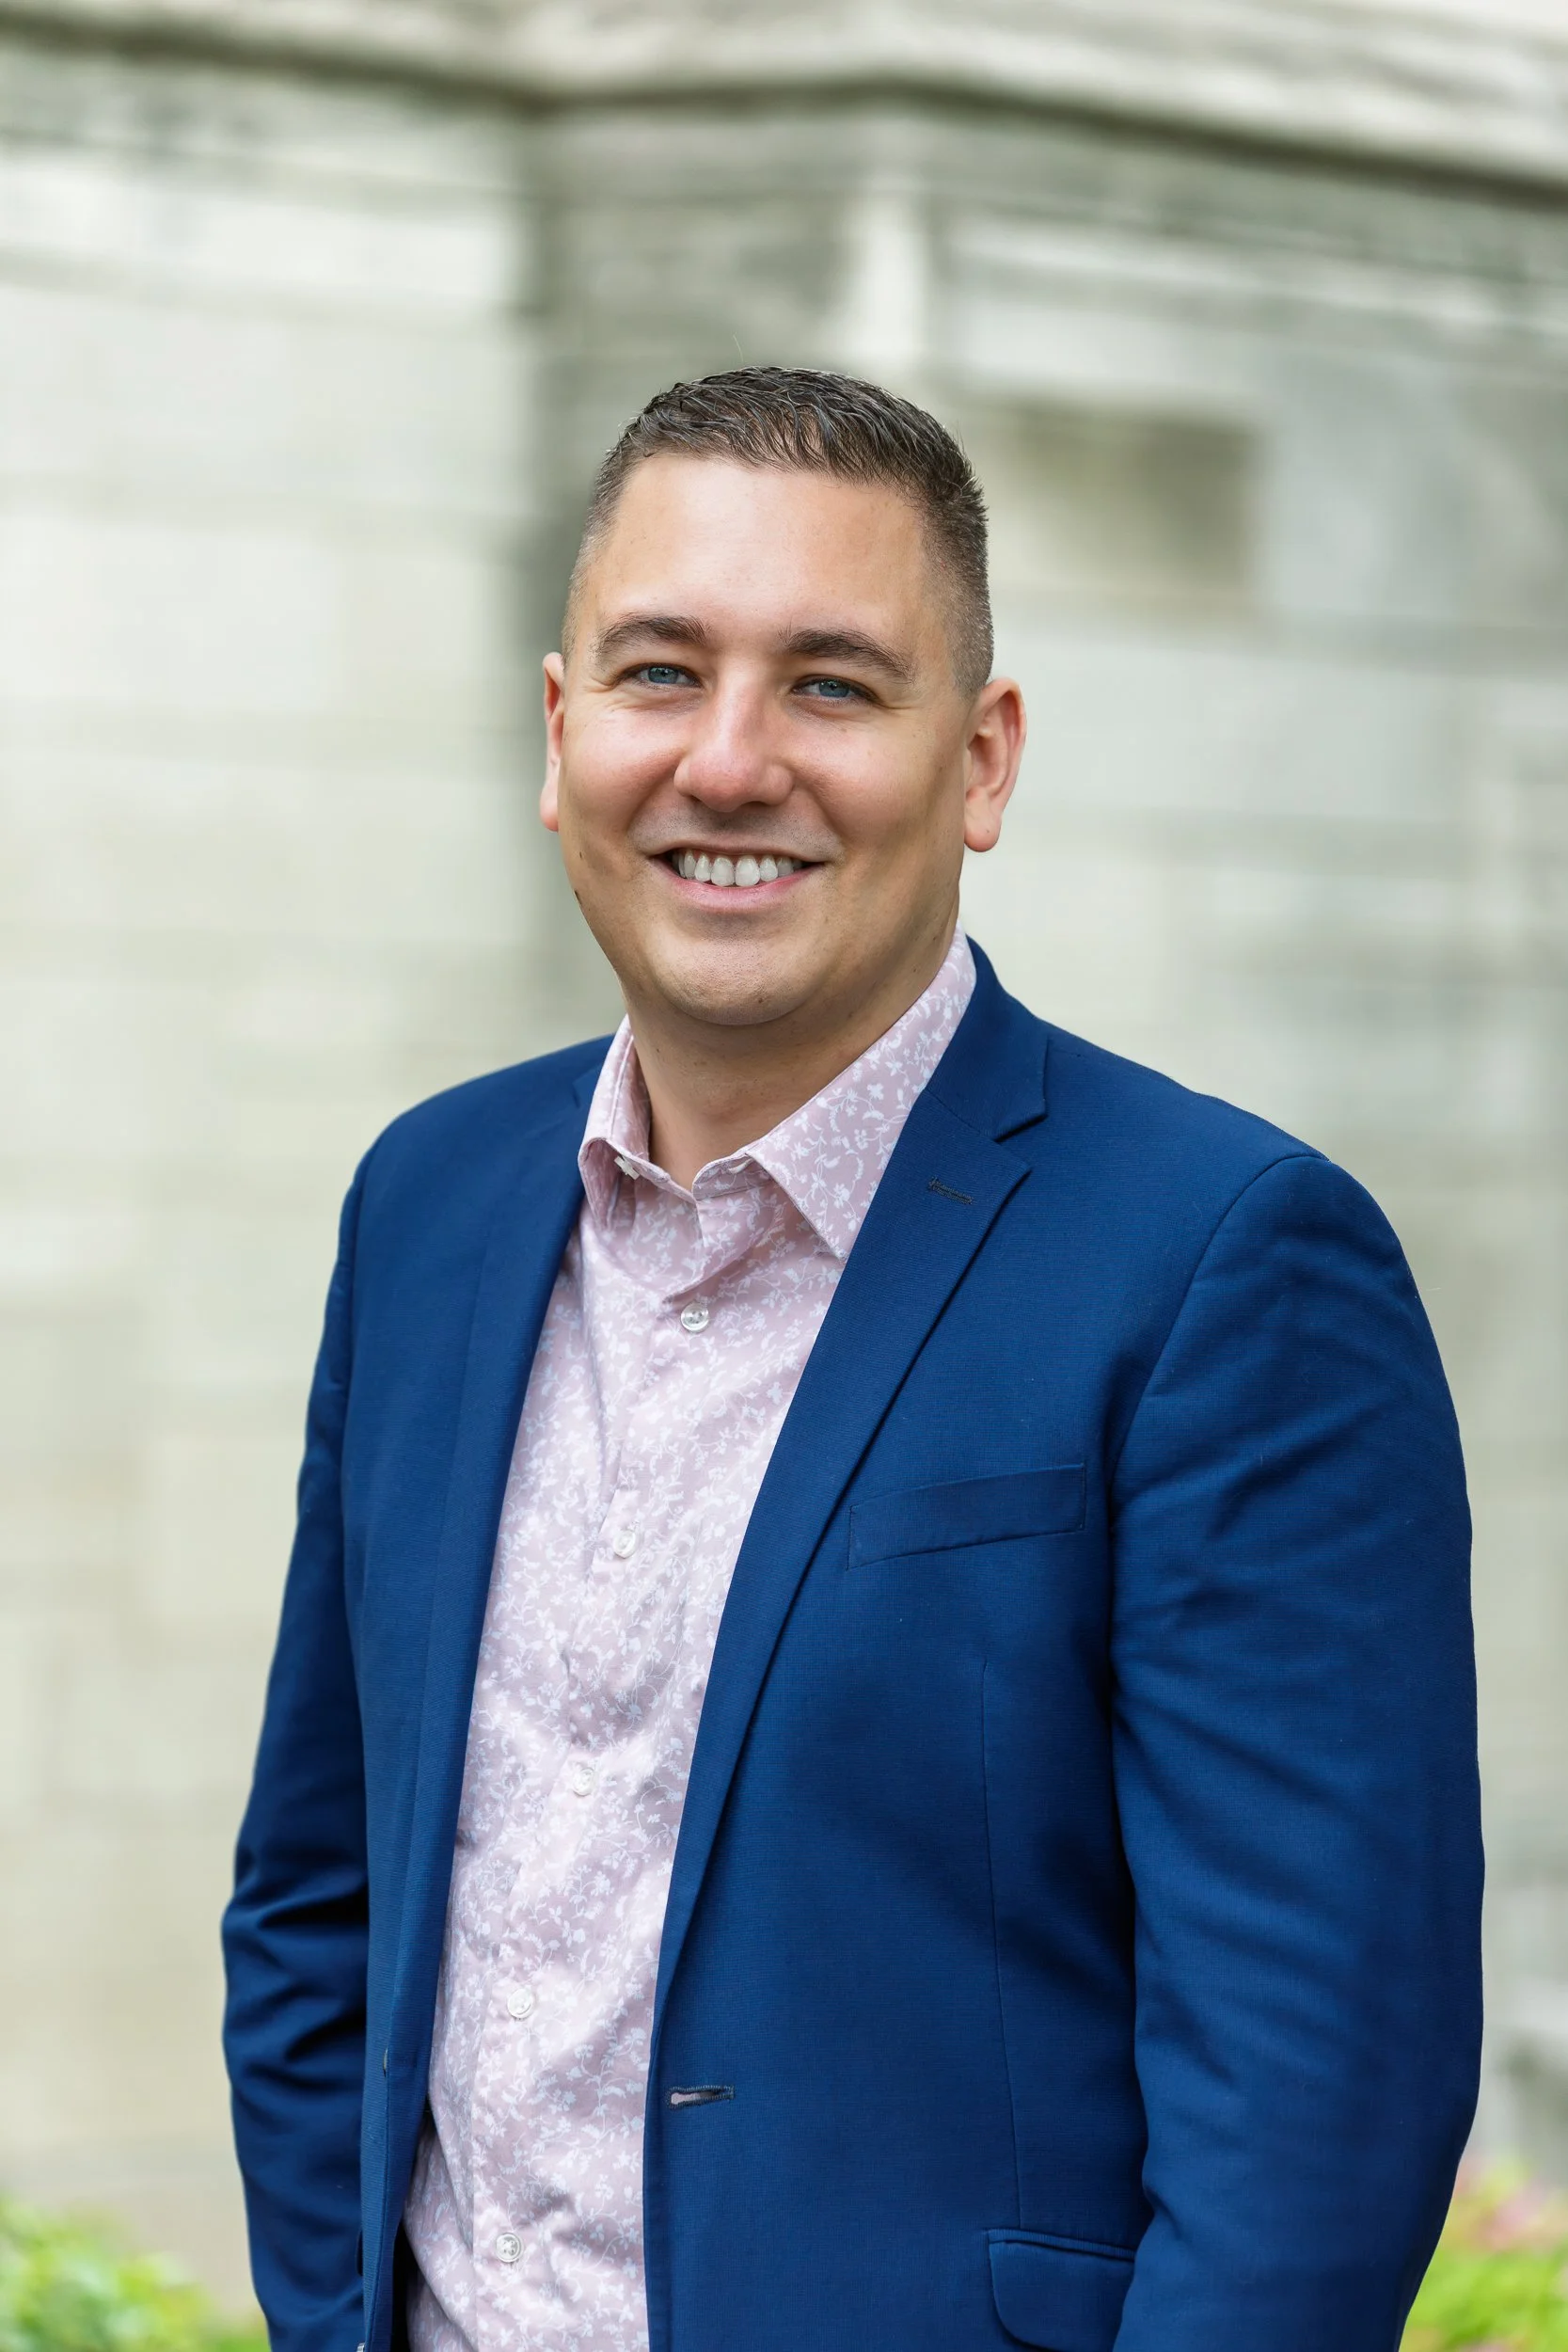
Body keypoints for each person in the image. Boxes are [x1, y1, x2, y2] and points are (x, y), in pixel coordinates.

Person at [222, 368, 1481, 2352]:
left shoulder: (1224, 1260)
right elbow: (316, 1893)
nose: (726, 763)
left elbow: (1314, 2092)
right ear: (560, 736)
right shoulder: (428, 1206)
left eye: (827, 683)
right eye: (659, 673)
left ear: (977, 761)